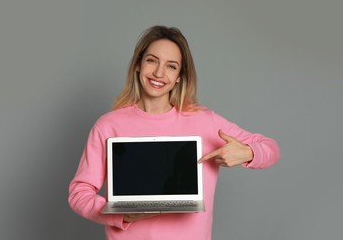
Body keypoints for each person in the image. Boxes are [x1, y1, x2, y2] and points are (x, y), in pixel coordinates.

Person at [68, 25, 280, 240]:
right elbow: (79, 193)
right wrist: (121, 214)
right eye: (152, 60)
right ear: (138, 65)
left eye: (171, 66)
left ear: (179, 76)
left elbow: (271, 148)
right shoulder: (108, 125)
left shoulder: (204, 121)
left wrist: (248, 152)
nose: (159, 73)